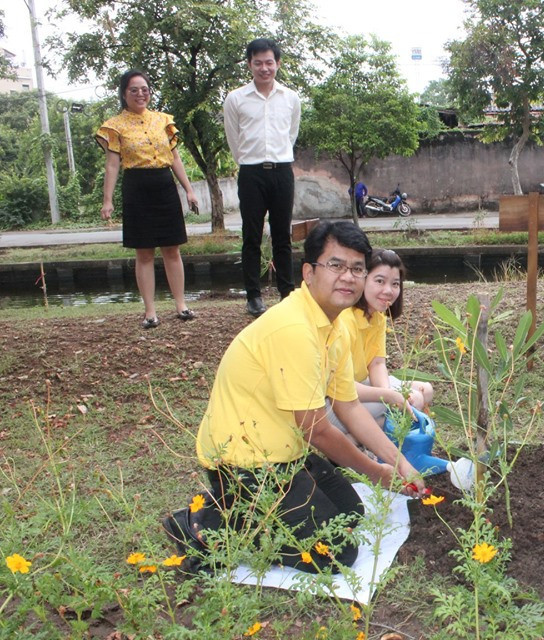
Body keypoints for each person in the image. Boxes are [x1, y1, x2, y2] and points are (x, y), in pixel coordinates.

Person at [163, 221, 424, 574]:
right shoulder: (294, 328)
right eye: (335, 265)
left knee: (351, 512)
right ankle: (203, 523)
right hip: (245, 464)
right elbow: (317, 430)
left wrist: (399, 464)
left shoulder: (335, 326)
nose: (347, 277)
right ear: (309, 272)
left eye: (357, 269)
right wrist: (377, 472)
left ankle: (243, 512)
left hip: (284, 455)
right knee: (338, 552)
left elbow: (348, 406)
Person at [96, 69, 200, 329]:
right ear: (124, 94)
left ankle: (181, 305)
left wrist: (188, 189)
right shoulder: (115, 125)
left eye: (144, 89)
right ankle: (150, 312)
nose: (140, 94)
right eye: (134, 90)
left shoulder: (163, 120)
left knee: (172, 248)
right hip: (136, 187)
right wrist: (107, 200)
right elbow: (112, 165)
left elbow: (175, 158)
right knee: (143, 252)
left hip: (164, 185)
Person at [224, 38, 301, 317]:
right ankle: (253, 296)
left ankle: (287, 293)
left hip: (282, 171)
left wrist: (277, 157)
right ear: (249, 64)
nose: (264, 68)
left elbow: (291, 135)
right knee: (251, 235)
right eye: (258, 63)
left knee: (283, 235)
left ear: (278, 64)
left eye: (269, 62)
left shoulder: (290, 98)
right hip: (251, 172)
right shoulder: (236, 98)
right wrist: (248, 161)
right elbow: (234, 138)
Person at [328, 249, 435, 433]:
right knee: (411, 399)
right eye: (379, 281)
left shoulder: (378, 316)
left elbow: (377, 363)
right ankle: (353, 441)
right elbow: (339, 385)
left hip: (360, 389)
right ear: (362, 279)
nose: (388, 291)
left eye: (395, 284)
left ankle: (356, 440)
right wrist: (390, 396)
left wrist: (389, 393)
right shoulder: (344, 319)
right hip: (334, 403)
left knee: (426, 390)